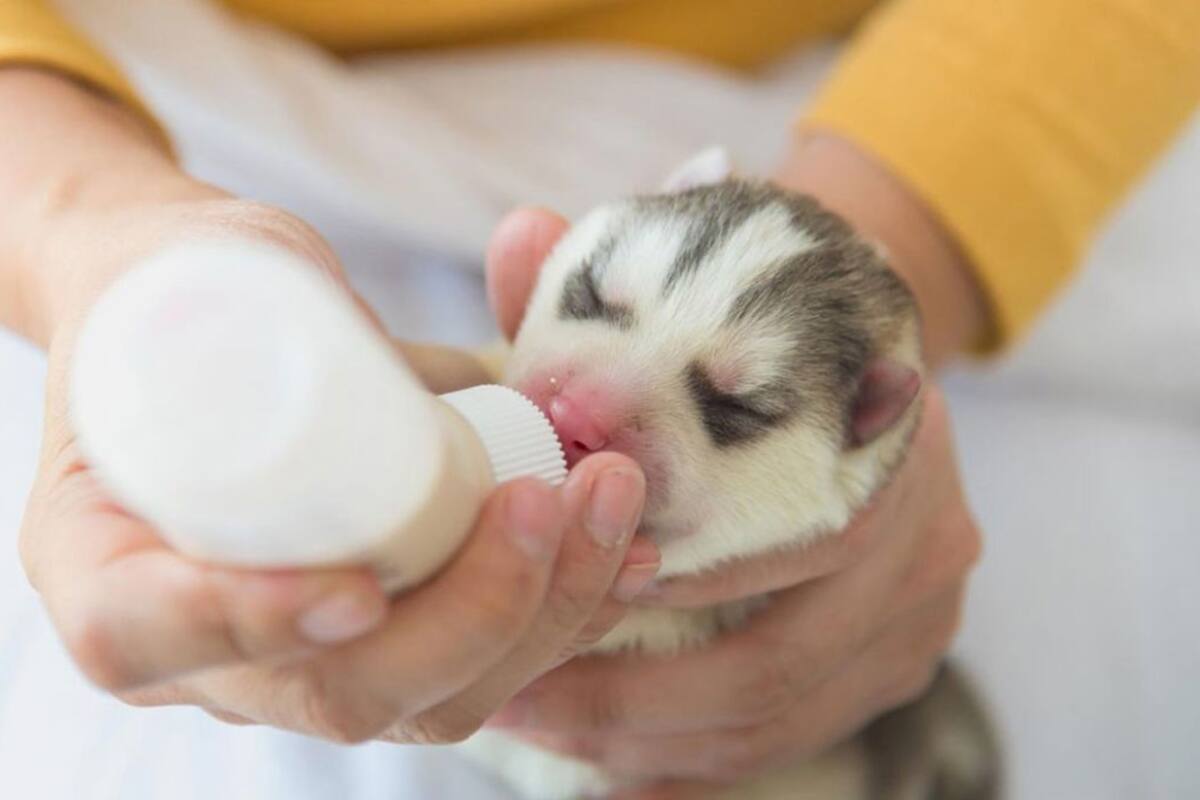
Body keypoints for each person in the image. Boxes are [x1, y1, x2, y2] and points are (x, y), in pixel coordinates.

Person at [0, 2, 1196, 798]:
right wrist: (83, 229)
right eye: (600, 306)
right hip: (142, 101)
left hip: (930, 100)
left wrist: (908, 240)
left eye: (731, 404)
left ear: (877, 419)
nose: (591, 398)